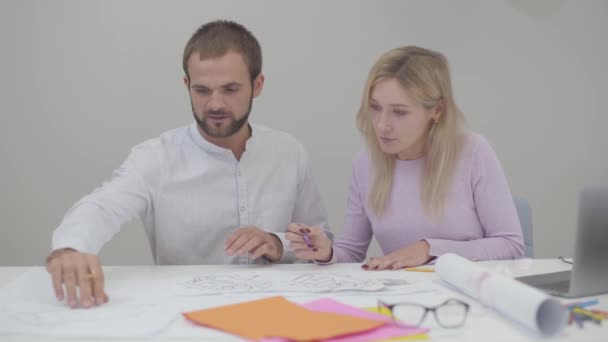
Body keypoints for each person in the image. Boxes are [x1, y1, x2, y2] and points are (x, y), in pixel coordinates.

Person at [46, 20, 330, 308]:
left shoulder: (289, 152)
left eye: (230, 89)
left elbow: (319, 242)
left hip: (280, 309)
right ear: (187, 85)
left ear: (258, 85)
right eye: (202, 90)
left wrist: (278, 243)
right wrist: (70, 247)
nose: (215, 104)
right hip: (183, 314)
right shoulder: (156, 157)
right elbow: (103, 204)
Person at [286, 46, 524, 269]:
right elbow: (351, 251)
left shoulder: (473, 152)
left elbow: (510, 245)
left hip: (468, 297)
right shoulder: (365, 163)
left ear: (437, 111)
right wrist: (326, 252)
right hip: (403, 299)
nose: (382, 125)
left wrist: (430, 249)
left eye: (399, 112)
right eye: (375, 107)